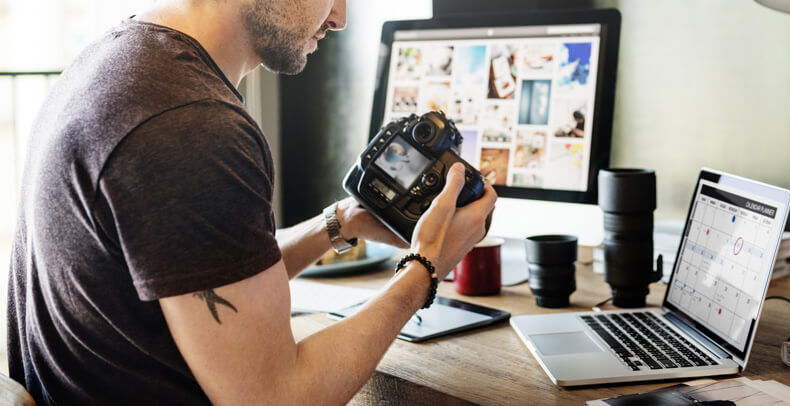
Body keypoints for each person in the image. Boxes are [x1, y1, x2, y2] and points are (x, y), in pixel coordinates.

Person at [6, 0, 497, 404]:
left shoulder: (119, 62)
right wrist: (424, 267)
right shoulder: (192, 126)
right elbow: (277, 398)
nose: (340, 18)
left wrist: (341, 221)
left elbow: (208, 280)